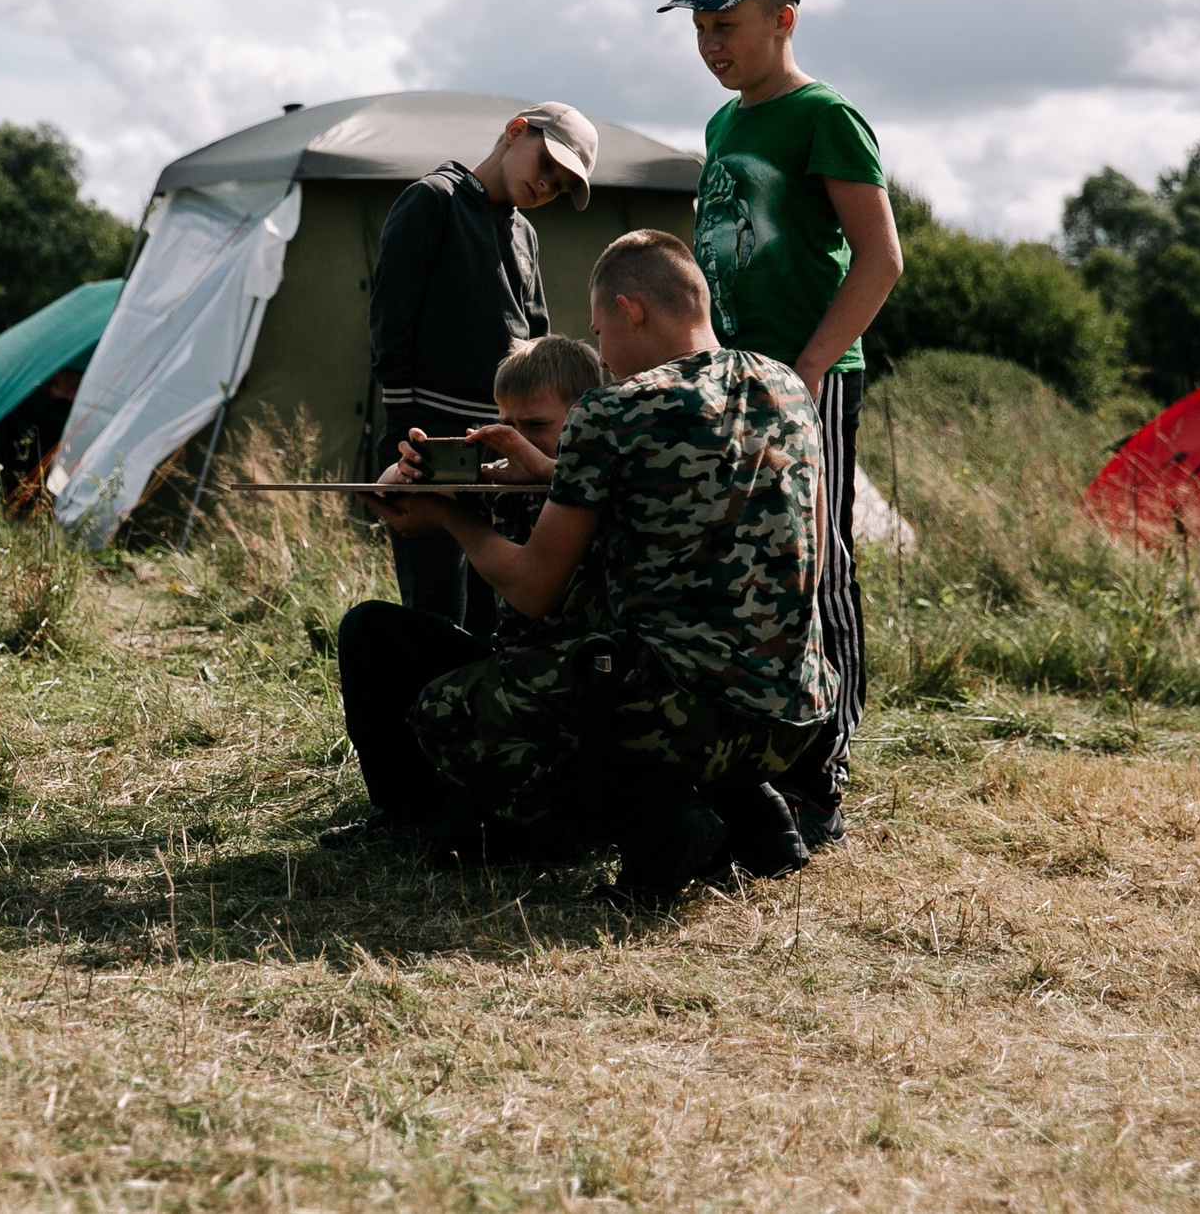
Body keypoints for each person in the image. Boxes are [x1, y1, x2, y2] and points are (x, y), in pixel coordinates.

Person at [371, 231, 832, 898]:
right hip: (797, 713)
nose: (604, 356)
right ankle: (751, 812)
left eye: (598, 331)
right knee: (634, 662)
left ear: (629, 310)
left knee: (449, 709)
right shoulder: (786, 387)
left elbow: (532, 590)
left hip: (689, 715)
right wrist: (545, 473)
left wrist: (450, 517)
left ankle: (656, 823)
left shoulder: (613, 409)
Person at [660, 0, 902, 850]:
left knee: (816, 564)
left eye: (725, 25)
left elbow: (881, 259)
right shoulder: (722, 127)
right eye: (699, 27)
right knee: (743, 567)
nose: (710, 44)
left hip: (810, 381)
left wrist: (806, 372)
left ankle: (822, 775)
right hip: (735, 384)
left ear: (783, 19)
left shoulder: (825, 117)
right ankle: (752, 757)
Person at [320, 334, 606, 853]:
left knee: (464, 844)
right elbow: (389, 495)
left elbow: (532, 591)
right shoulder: (500, 479)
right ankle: (401, 809)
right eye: (506, 425)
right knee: (371, 629)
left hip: (580, 689)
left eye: (535, 426)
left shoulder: (601, 481)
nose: (514, 440)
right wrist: (410, 469)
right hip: (510, 664)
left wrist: (450, 515)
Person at [368, 104, 598, 628]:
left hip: (503, 446)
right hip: (429, 436)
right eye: (547, 165)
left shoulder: (525, 235)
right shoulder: (433, 199)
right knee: (437, 609)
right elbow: (390, 316)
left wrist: (534, 444)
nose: (547, 185)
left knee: (494, 611)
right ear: (516, 131)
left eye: (561, 186)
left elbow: (536, 346)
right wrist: (406, 428)